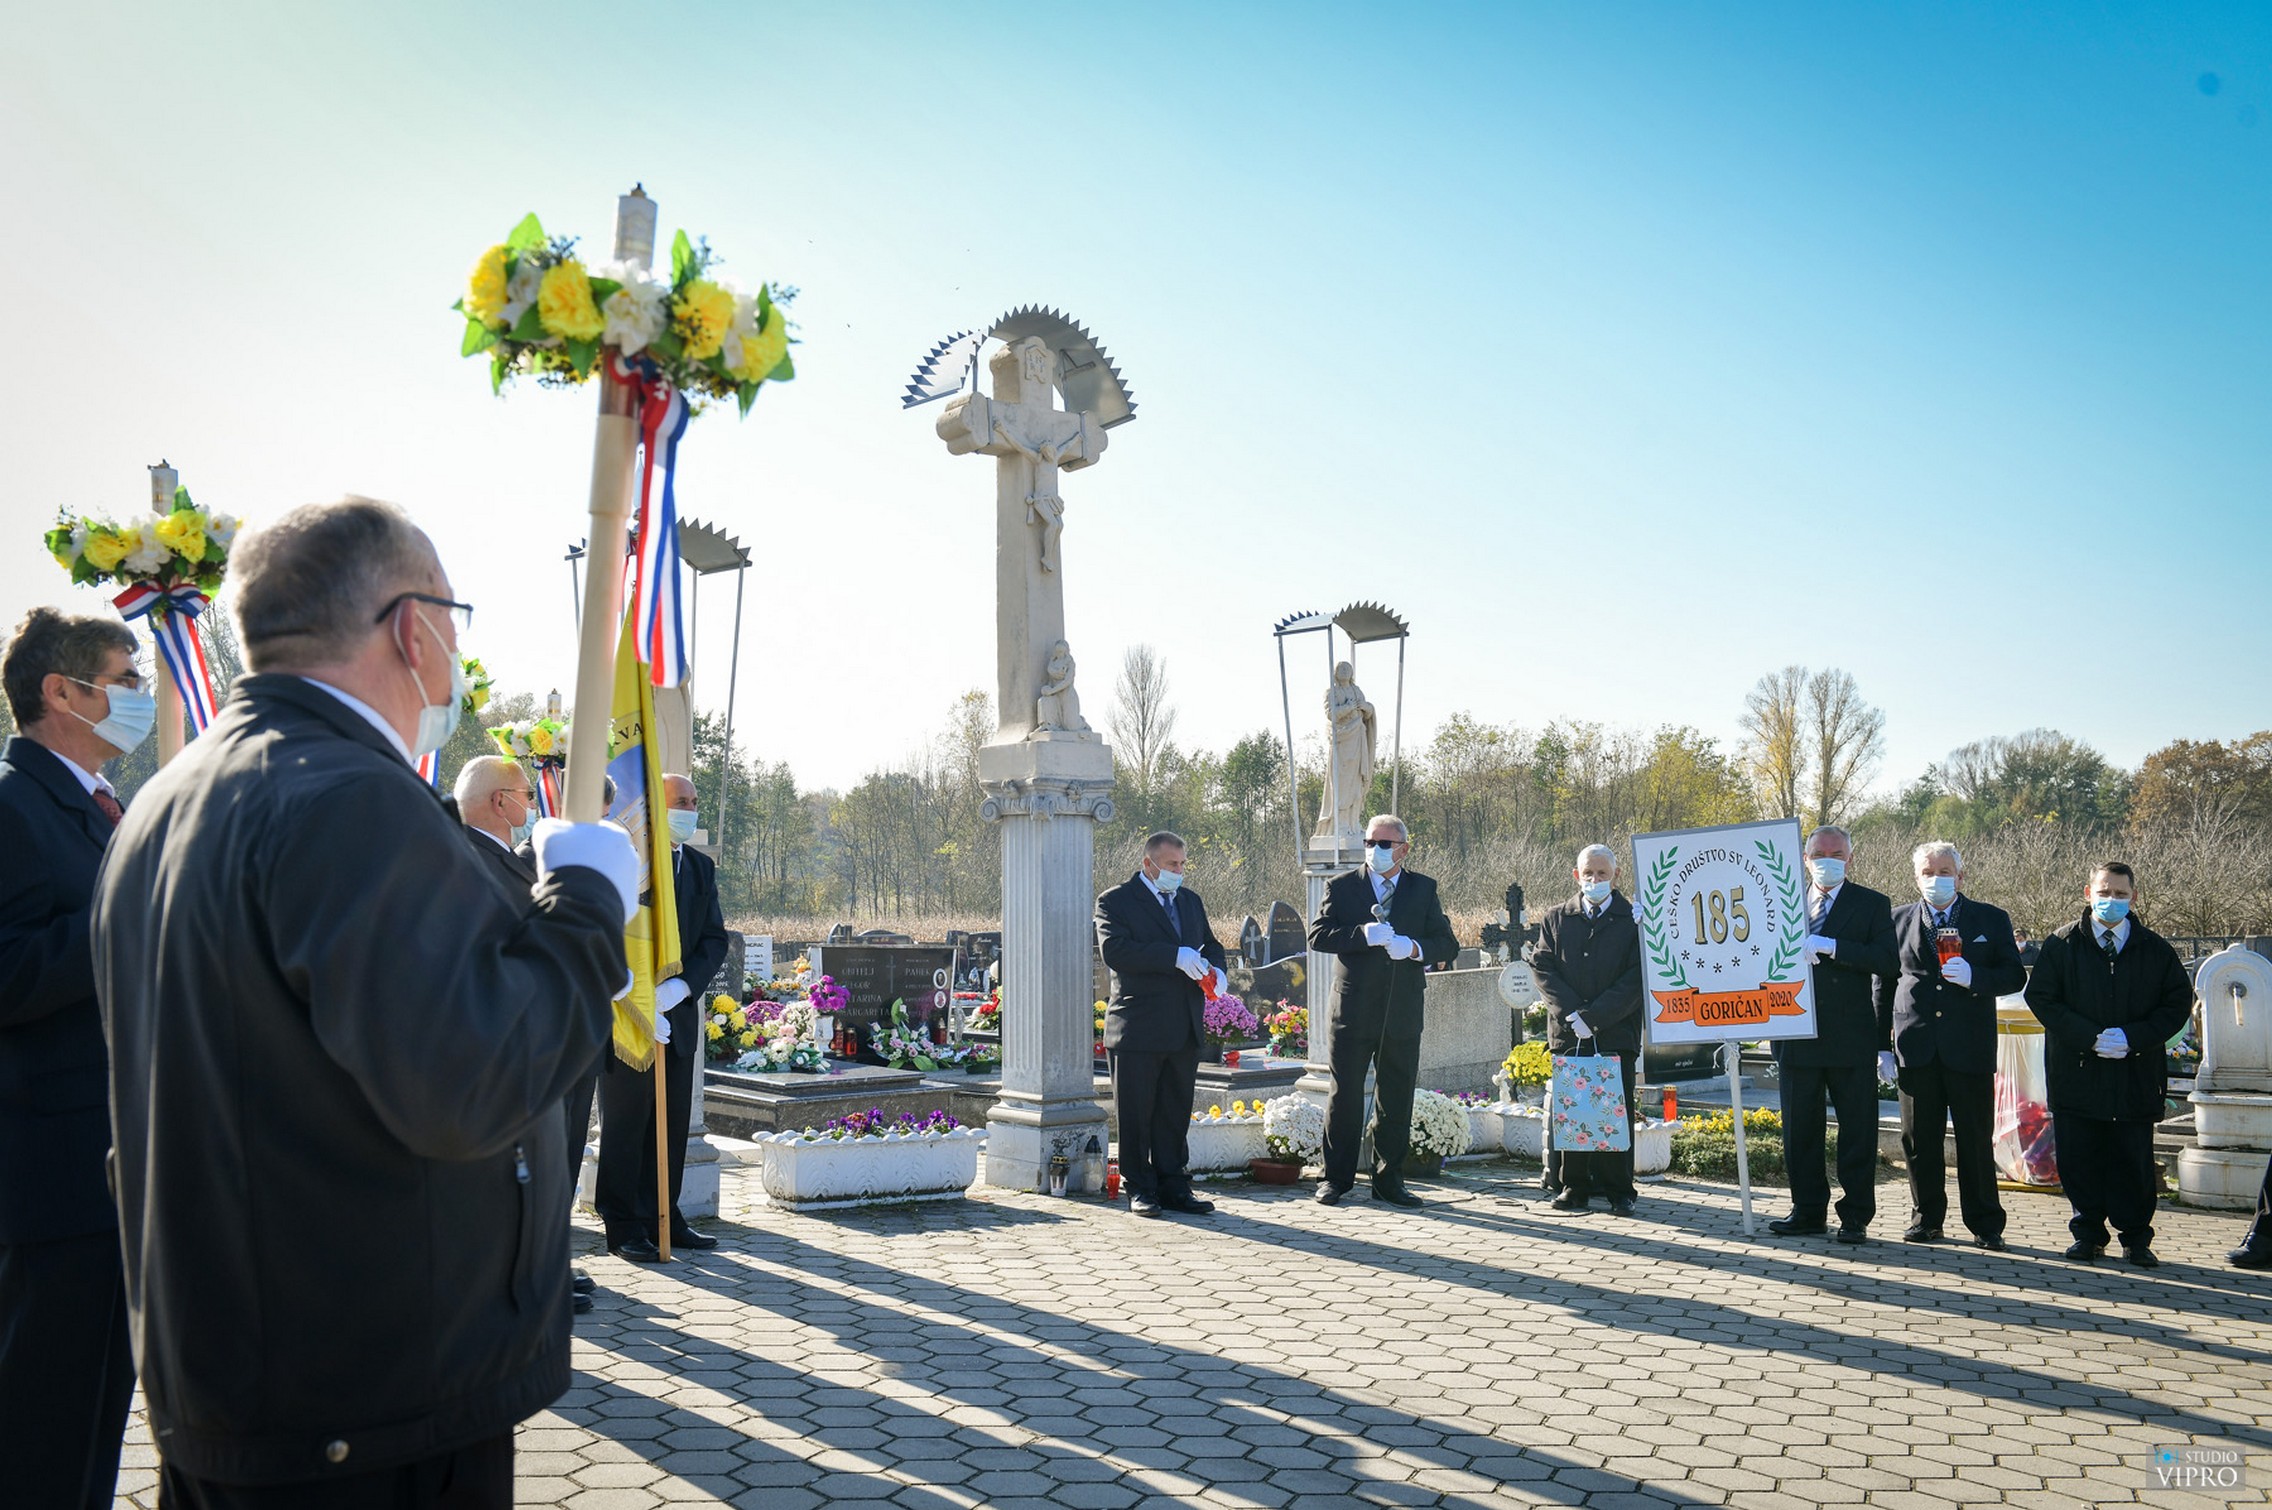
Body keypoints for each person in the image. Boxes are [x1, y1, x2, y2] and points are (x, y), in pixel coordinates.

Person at [91, 498, 638, 1508]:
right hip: (367, 1403)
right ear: (412, 628)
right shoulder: (347, 794)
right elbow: (472, 1081)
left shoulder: (167, 797)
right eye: (452, 619)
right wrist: (586, 906)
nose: (454, 655)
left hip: (244, 1374)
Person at [0, 607, 145, 1510]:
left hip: (112, 1162)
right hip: (51, 1175)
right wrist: (125, 915)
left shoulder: (100, 805)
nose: (139, 698)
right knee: (41, 1432)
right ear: (61, 691)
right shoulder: (12, 805)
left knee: (92, 1421)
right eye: (124, 682)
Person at [457, 755, 603, 1316]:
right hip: (508, 1043)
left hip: (534, 1036)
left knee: (541, 1168)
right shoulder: (470, 857)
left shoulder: (491, 854)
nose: (534, 803)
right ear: (500, 801)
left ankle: (542, 1264)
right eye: (525, 792)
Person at [2023, 863, 2193, 1267]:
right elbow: (2042, 998)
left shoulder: (2154, 949)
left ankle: (2136, 1238)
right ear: (2088, 893)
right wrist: (2090, 1036)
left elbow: (2175, 1004)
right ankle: (2087, 1234)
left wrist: (2133, 1037)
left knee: (2132, 1158)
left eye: (2120, 894)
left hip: (2134, 1072)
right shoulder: (2062, 944)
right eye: (2104, 892)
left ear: (2133, 898)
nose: (2111, 901)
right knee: (2080, 1155)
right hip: (2078, 1069)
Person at [595, 772, 729, 1260]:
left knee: (669, 1126)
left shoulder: (697, 867)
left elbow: (714, 938)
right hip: (629, 1013)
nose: (689, 809)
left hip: (677, 1015)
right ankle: (622, 1224)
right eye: (680, 801)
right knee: (626, 1123)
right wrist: (638, 991)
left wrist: (681, 987)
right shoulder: (628, 860)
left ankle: (664, 1216)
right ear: (654, 807)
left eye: (693, 801)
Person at [1876, 841, 2025, 1250]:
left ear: (1960, 877)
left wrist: (1975, 977)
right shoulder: (1897, 920)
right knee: (1918, 1140)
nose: (1936, 879)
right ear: (1916, 877)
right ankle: (1926, 1219)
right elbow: (1883, 984)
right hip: (1916, 1045)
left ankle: (1985, 1223)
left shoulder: (1990, 919)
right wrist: (1881, 1045)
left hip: (1969, 1047)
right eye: (1928, 872)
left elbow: (2014, 975)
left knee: (1974, 1139)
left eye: (1944, 872)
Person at [1308, 814, 1459, 1208]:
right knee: (1345, 1096)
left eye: (1384, 844)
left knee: (1396, 1096)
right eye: (1370, 843)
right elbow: (1318, 935)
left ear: (1403, 849)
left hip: (1402, 1009)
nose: (1375, 850)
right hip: (1352, 1008)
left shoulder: (1423, 888)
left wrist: (1413, 948)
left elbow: (1447, 943)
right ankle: (1334, 1179)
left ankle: (1389, 1180)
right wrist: (1362, 935)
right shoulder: (1343, 886)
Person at [1768, 826, 1898, 1244]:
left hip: (1850, 1035)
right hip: (1795, 1031)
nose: (1828, 861)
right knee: (1800, 1130)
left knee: (1857, 1130)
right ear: (1805, 859)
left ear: (1850, 859)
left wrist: (1834, 947)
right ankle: (1807, 1211)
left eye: (1837, 854)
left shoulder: (1872, 904)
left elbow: (1888, 961)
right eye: (1819, 854)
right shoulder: (1781, 900)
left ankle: (1855, 1215)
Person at [1094, 831, 1229, 1218]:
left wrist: (1218, 970)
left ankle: (1174, 1186)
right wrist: (1173, 956)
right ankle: (1140, 1187)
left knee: (1174, 1112)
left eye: (1183, 864)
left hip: (1183, 1024)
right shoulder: (1116, 901)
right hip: (1138, 1025)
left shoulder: (1189, 901)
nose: (1179, 872)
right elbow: (1116, 951)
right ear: (1148, 864)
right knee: (1136, 1114)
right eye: (1172, 864)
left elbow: (1210, 943)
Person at [1532, 844, 1645, 1216]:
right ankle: (1574, 1186)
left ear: (1616, 876)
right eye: (1588, 873)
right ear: (1576, 875)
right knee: (1575, 1109)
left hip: (1615, 1030)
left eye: (1602, 873)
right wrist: (1572, 1014)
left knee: (1615, 1110)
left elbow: (1636, 978)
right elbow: (1543, 968)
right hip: (1569, 1033)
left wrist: (1594, 1017)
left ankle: (1620, 1190)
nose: (1595, 879)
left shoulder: (1632, 920)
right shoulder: (1556, 917)